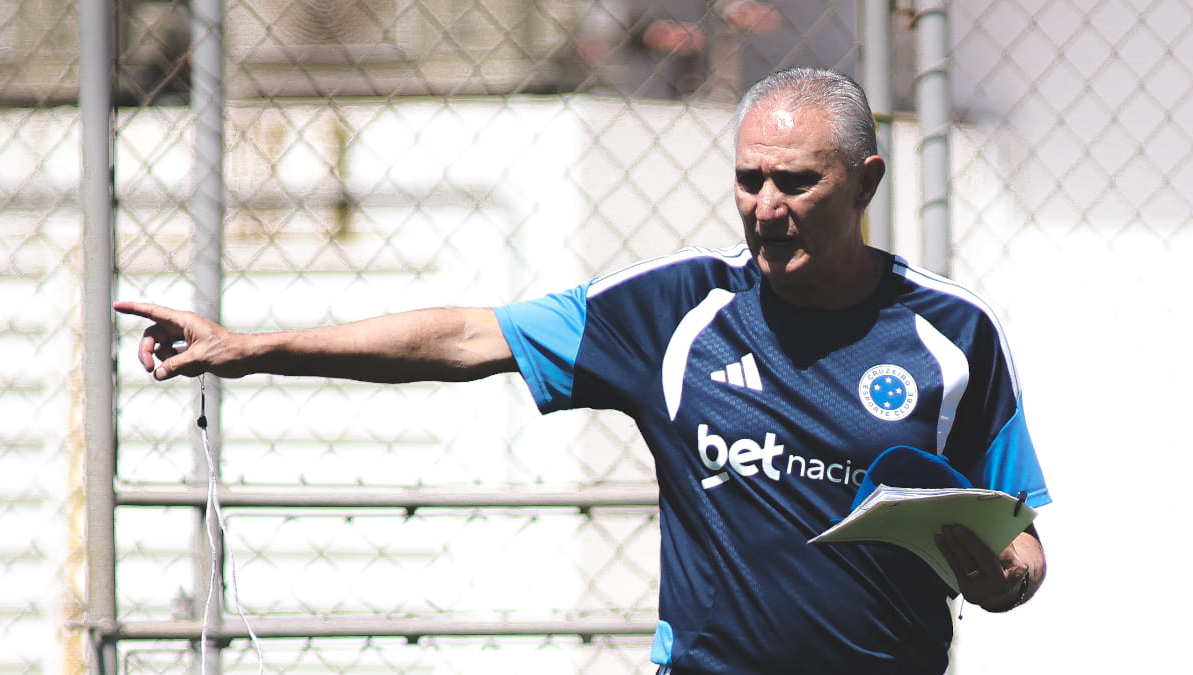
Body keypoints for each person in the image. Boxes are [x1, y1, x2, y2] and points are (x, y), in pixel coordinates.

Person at [115, 66, 1049, 674]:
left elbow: (1021, 542)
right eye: (747, 179)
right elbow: (464, 337)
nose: (766, 208)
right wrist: (249, 347)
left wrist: (1007, 579)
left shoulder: (952, 335)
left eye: (797, 182)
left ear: (868, 182)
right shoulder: (672, 309)